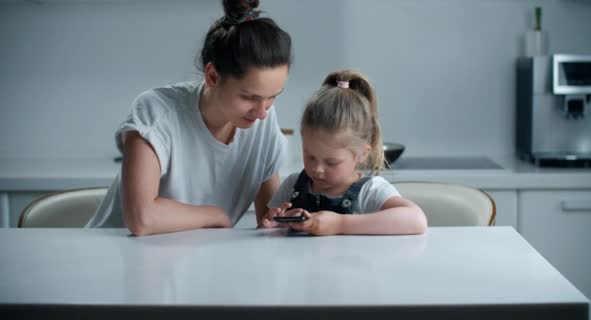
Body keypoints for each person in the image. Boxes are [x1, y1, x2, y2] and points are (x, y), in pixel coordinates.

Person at [86, 0, 292, 236]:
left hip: (189, 261)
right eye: (249, 97)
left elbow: (268, 222)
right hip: (112, 256)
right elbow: (141, 218)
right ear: (213, 76)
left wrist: (279, 218)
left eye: (273, 97)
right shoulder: (156, 111)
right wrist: (215, 215)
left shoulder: (263, 120)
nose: (262, 112)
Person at [263, 70, 427, 236]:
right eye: (310, 156)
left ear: (362, 154)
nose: (317, 169)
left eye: (331, 162)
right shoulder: (291, 187)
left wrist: (340, 224)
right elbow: (263, 238)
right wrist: (274, 225)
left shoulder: (371, 192)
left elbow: (416, 220)